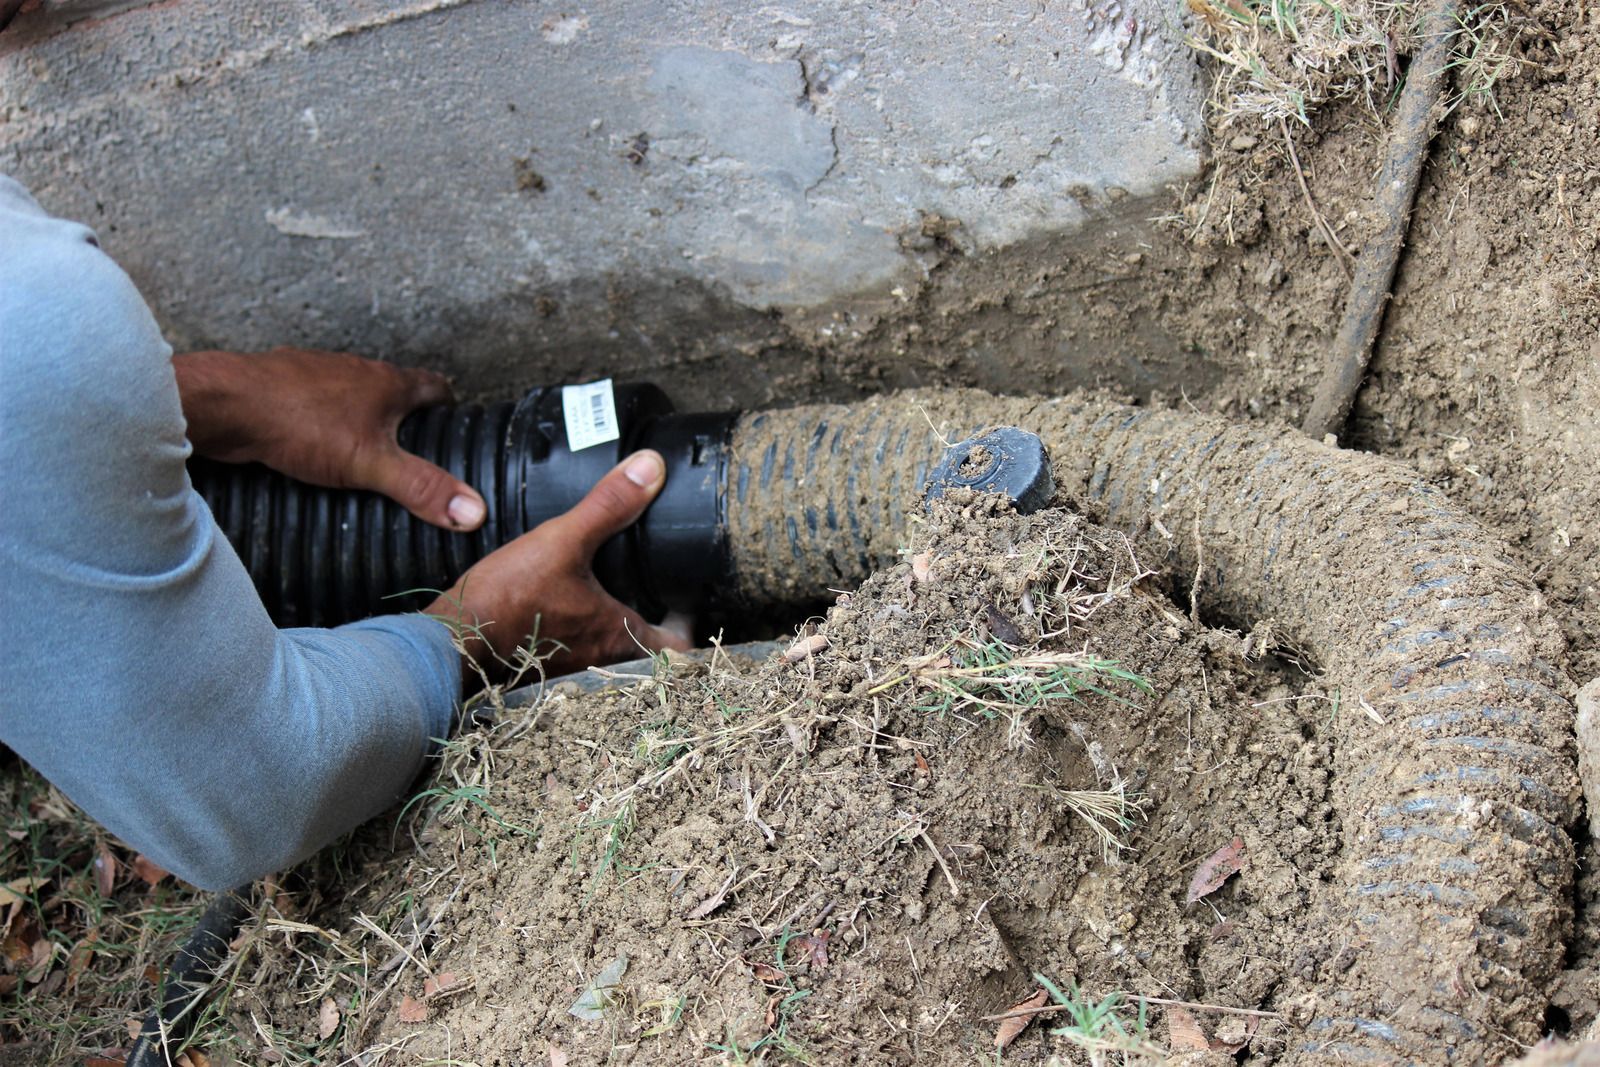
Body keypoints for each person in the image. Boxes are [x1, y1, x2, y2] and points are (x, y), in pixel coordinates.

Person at [0, 176, 690, 891]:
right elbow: (251, 786)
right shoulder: (38, 304)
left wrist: (194, 392)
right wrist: (478, 632)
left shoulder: (32, 305)